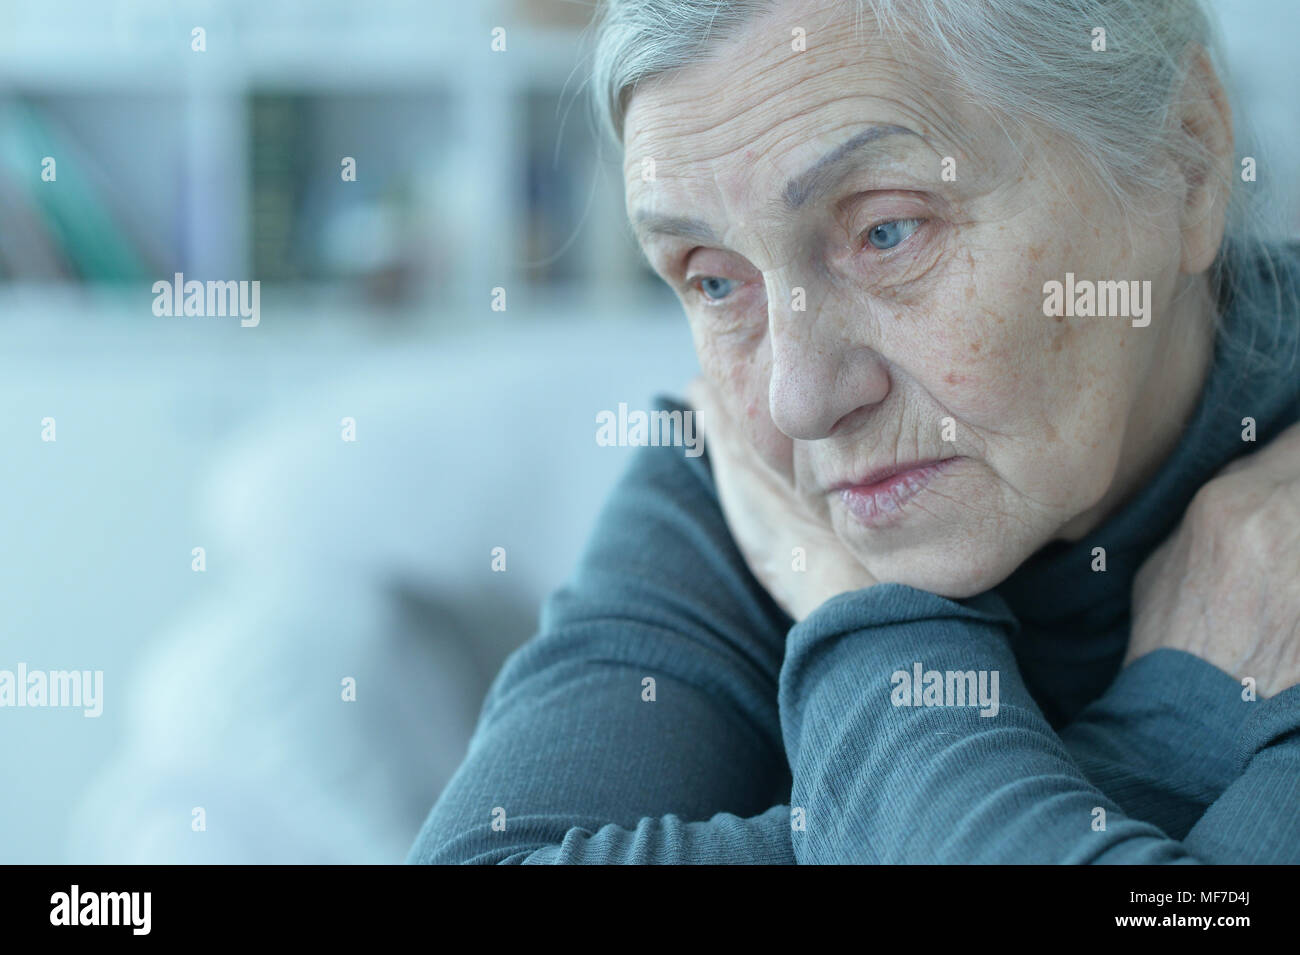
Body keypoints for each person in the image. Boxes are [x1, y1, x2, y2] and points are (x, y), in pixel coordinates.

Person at [409, 0, 1300, 863]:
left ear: (1187, 158)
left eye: (886, 230)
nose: (799, 400)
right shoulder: (744, 480)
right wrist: (1165, 735)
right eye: (715, 281)